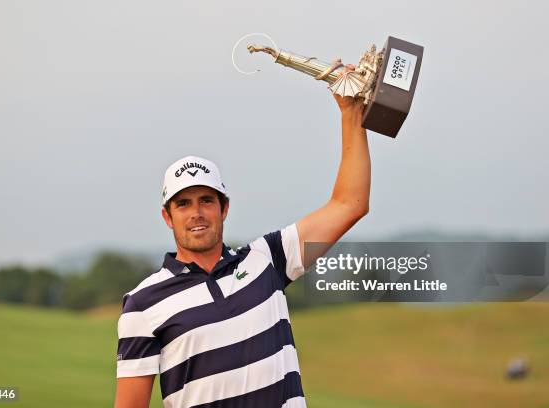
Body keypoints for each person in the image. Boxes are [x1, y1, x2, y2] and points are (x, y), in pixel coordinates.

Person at [114, 68, 371, 408]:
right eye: (183, 204)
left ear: (224, 208)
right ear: (167, 215)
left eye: (206, 200)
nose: (196, 213)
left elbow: (349, 204)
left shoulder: (267, 259)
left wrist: (350, 113)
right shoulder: (142, 304)